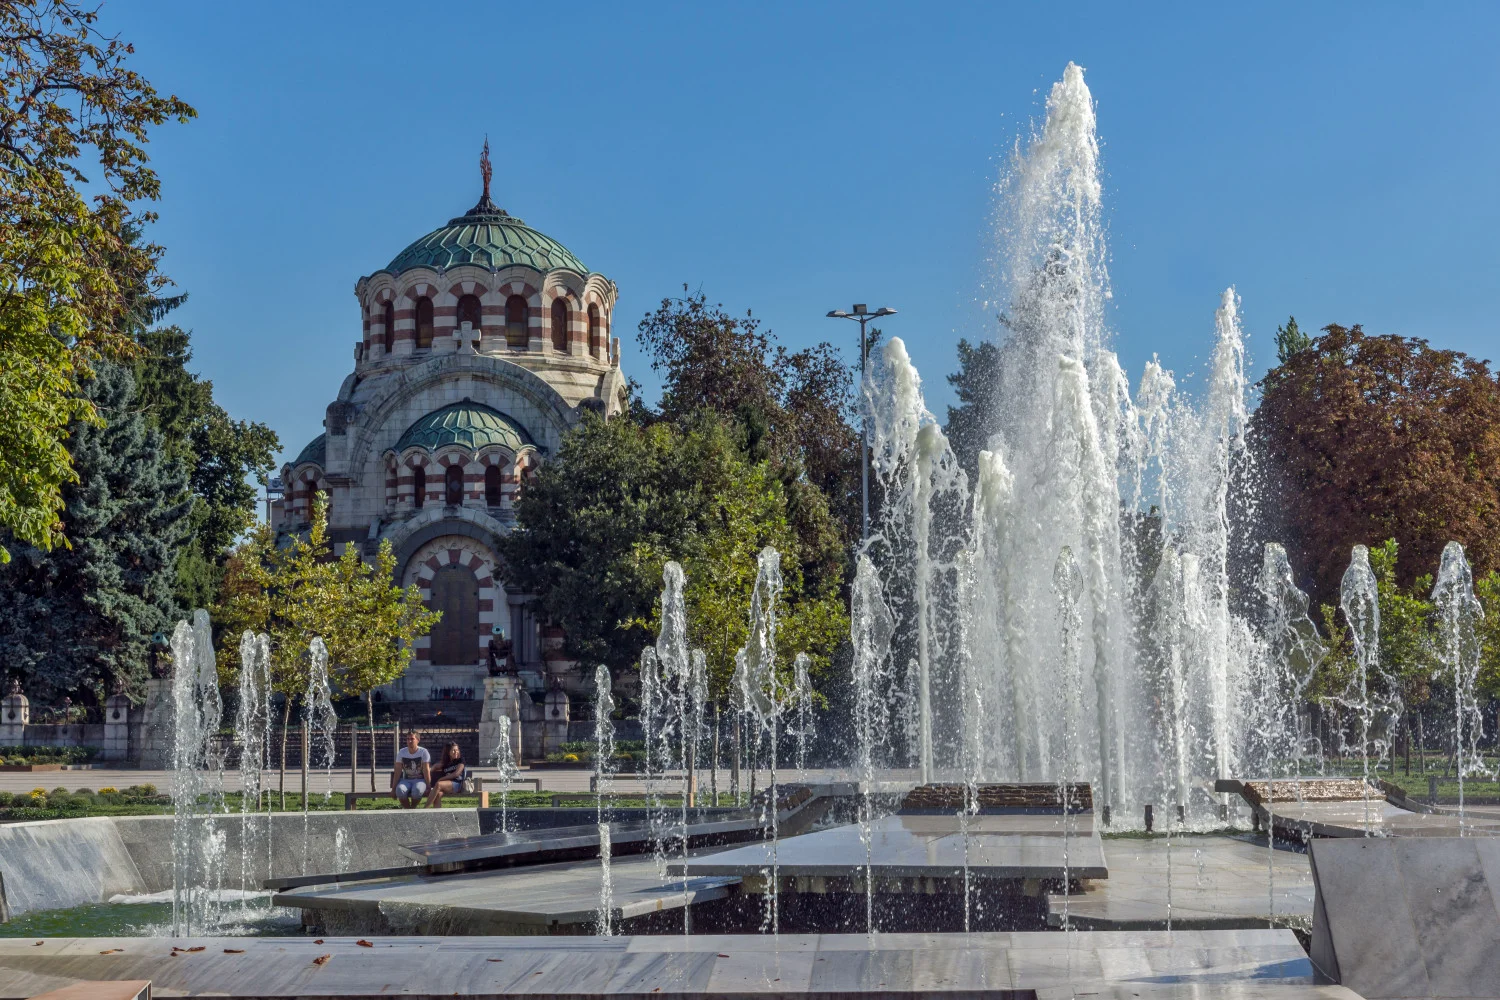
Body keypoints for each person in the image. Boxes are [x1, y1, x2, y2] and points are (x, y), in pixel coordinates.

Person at [391, 730, 431, 808]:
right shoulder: (402, 752)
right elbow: (398, 771)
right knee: (399, 790)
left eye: (412, 739)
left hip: (420, 780)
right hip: (406, 780)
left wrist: (429, 786)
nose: (409, 741)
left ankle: (412, 808)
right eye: (408, 739)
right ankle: (408, 810)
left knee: (417, 791)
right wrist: (393, 789)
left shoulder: (424, 752)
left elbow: (426, 770)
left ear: (418, 740)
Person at [426, 742, 468, 808]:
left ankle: (425, 809)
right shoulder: (445, 763)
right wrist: (434, 767)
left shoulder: (461, 760)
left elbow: (456, 774)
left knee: (438, 784)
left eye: (457, 750)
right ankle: (437, 816)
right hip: (446, 786)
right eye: (453, 750)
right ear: (448, 752)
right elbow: (433, 768)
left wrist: (441, 779)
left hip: (457, 784)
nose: (456, 752)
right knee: (438, 794)